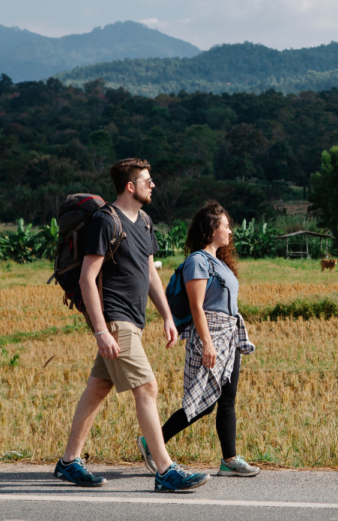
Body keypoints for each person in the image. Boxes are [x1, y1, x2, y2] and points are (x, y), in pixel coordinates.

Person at [54, 158, 210, 492]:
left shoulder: (145, 222)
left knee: (98, 388)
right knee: (147, 388)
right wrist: (100, 330)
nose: (152, 185)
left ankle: (68, 462)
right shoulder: (105, 222)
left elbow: (150, 272)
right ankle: (165, 470)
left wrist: (167, 316)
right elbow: (87, 277)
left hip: (133, 319)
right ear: (130, 186)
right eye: (147, 180)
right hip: (115, 320)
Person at [137, 201, 260, 477]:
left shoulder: (220, 262)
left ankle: (229, 460)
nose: (230, 231)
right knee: (201, 402)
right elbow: (197, 306)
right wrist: (207, 343)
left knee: (227, 400)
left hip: (229, 335)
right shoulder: (197, 262)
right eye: (226, 226)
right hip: (211, 334)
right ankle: (150, 441)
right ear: (211, 229)